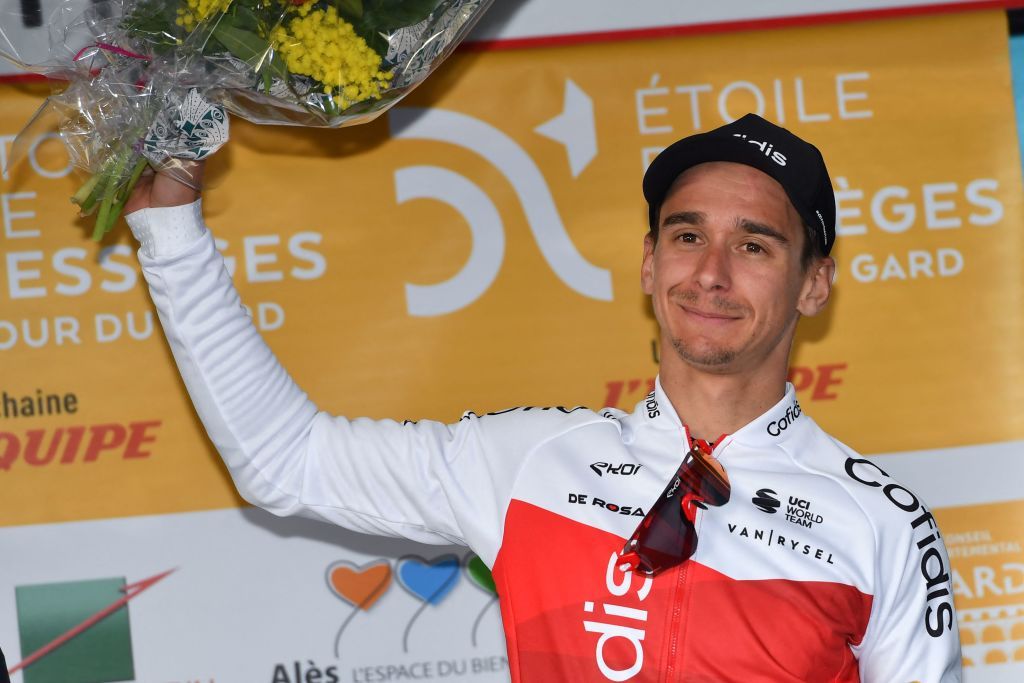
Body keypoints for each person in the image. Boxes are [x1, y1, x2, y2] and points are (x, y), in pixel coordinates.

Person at [124, 113, 962, 682]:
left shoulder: (880, 522)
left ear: (815, 284)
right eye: (686, 235)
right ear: (647, 263)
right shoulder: (530, 461)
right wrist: (170, 229)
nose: (710, 273)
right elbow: (285, 459)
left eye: (754, 244)